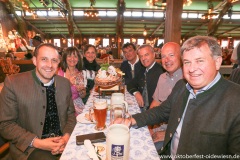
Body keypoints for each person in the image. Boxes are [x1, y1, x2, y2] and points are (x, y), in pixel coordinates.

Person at [125, 36, 240, 158]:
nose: (192, 68)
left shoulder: (235, 99)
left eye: (200, 61)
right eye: (187, 62)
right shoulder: (182, 86)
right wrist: (131, 119)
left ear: (217, 62)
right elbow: (162, 111)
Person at [0, 43, 76, 160]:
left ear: (59, 63)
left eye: (54, 60)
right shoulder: (13, 83)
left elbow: (70, 115)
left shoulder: (64, 83)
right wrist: (38, 143)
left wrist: (65, 138)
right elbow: (5, 124)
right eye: (44, 59)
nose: (49, 65)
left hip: (62, 141)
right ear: (35, 60)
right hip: (30, 148)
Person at [149, 42, 183, 150]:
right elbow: (155, 103)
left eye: (171, 55)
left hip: (178, 134)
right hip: (160, 127)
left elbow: (190, 119)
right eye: (163, 56)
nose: (166, 60)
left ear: (181, 56)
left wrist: (167, 133)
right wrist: (149, 126)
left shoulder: (189, 79)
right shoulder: (162, 77)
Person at [127, 44, 164, 111]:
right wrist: (136, 93)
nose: (143, 59)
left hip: (154, 112)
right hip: (142, 108)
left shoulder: (162, 72)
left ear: (154, 55)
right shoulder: (143, 70)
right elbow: (130, 84)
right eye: (141, 56)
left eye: (146, 55)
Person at [58, 47, 86, 116]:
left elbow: (83, 96)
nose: (72, 59)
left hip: (77, 104)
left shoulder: (80, 73)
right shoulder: (58, 72)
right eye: (69, 56)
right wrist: (69, 83)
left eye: (75, 56)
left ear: (78, 59)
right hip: (63, 105)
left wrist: (81, 91)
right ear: (65, 58)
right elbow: (57, 94)